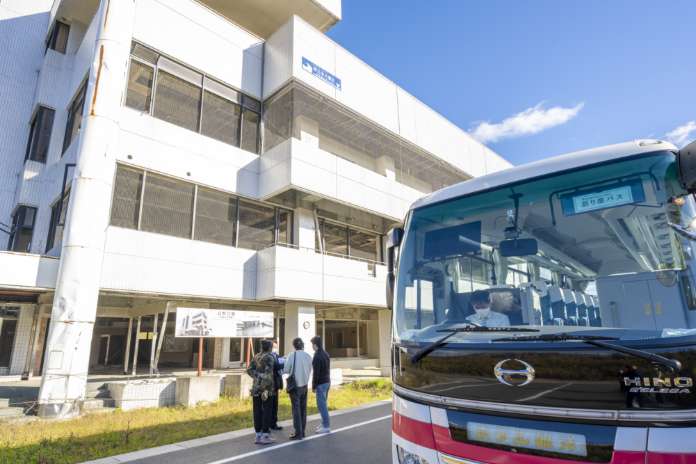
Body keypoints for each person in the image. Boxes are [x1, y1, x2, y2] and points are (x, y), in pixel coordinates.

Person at [247, 339, 276, 445]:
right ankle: (265, 435)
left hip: (255, 388)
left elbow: (249, 370)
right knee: (267, 411)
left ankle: (258, 435)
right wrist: (264, 384)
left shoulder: (256, 356)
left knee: (257, 411)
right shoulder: (269, 357)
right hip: (267, 389)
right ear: (269, 347)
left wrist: (257, 378)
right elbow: (268, 375)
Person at [283, 337, 312, 440]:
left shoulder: (292, 355)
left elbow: (286, 369)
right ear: (302, 345)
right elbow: (310, 369)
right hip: (305, 385)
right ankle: (302, 431)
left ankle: (298, 432)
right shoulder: (308, 356)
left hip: (295, 386)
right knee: (303, 409)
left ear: (294, 346)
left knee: (296, 410)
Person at [310, 335, 331, 434]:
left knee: (321, 405)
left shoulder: (317, 356)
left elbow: (316, 373)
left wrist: (313, 386)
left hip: (321, 383)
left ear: (315, 345)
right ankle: (324, 423)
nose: (312, 346)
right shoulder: (326, 354)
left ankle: (326, 426)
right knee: (323, 404)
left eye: (312, 344)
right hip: (327, 382)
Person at [269, 339, 284, 431]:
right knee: (268, 405)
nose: (275, 349)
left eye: (276, 347)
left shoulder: (278, 356)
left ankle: (274, 423)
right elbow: (276, 366)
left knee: (275, 405)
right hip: (268, 384)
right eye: (274, 347)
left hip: (276, 384)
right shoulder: (267, 357)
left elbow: (281, 368)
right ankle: (267, 424)